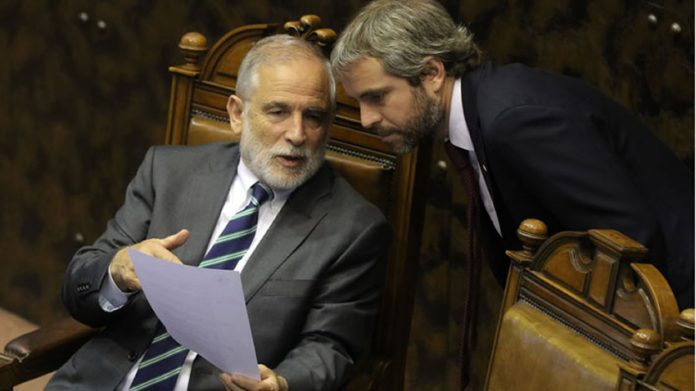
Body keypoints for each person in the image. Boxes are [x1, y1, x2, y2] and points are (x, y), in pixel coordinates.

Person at [47, 34, 390, 391]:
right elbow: (78, 288)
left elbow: (330, 346)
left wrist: (284, 384)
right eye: (278, 111)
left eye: (314, 117)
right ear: (237, 113)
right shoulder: (167, 172)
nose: (297, 133)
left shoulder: (354, 229)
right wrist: (116, 273)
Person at [331, 0, 694, 312]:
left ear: (431, 73)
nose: (366, 120)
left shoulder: (513, 122)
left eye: (376, 97)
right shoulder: (477, 111)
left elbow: (631, 241)